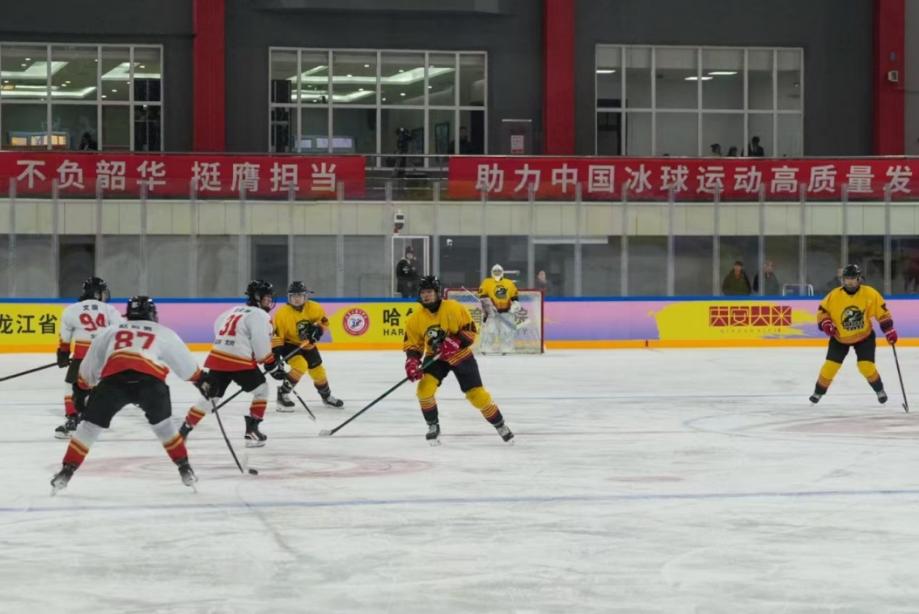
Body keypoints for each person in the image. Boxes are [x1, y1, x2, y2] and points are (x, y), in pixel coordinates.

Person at [50, 296, 205, 494]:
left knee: (89, 428)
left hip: (114, 381)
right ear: (152, 314)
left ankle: (66, 471)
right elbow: (187, 367)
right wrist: (202, 380)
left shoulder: (110, 331)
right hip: (150, 383)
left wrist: (81, 389)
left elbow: (89, 366)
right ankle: (185, 468)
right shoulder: (164, 332)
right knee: (164, 427)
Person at [403, 275, 514, 445]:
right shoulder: (415, 318)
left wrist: (456, 342)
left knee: (477, 396)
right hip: (436, 358)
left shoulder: (453, 307)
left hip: (460, 355)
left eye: (429, 292)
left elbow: (471, 330)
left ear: (437, 292)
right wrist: (412, 361)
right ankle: (433, 425)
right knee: (424, 390)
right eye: (423, 292)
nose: (426, 295)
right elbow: (413, 345)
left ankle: (500, 425)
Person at [179, 280, 284, 447]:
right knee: (262, 390)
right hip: (239, 361)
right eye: (267, 297)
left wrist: (234, 346)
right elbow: (261, 346)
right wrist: (271, 363)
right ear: (257, 297)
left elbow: (219, 328)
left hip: (218, 357)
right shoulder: (260, 315)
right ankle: (252, 431)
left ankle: (184, 429)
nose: (270, 300)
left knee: (211, 397)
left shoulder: (233, 310)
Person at [809, 264, 896, 405]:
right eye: (847, 278)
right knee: (830, 366)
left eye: (853, 278)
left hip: (864, 337)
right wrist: (826, 323)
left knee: (865, 366)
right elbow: (822, 312)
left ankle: (879, 390)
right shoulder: (834, 295)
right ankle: (818, 392)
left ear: (859, 279)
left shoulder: (869, 293)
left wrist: (889, 330)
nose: (849, 281)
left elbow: (883, 313)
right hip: (840, 338)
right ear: (842, 279)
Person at [55, 277, 123, 439]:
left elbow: (65, 336)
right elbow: (120, 332)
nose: (104, 295)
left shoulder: (72, 310)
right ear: (96, 293)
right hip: (103, 357)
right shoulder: (109, 310)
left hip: (81, 356)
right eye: (102, 292)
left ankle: (73, 419)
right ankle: (92, 419)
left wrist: (63, 353)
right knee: (96, 388)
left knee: (71, 385)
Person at [272, 281, 344, 410]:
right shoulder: (282, 314)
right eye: (293, 296)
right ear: (288, 297)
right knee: (300, 365)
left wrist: (318, 330)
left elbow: (324, 323)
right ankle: (282, 394)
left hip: (308, 345)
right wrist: (276, 357)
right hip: (290, 344)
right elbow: (277, 337)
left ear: (305, 296)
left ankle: (326, 397)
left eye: (299, 295)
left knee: (319, 372)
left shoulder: (315, 308)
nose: (297, 299)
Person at [478, 264, 523, 353]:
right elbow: (483, 297)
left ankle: (506, 348)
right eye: (495, 271)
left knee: (506, 331)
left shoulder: (509, 283)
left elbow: (514, 298)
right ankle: (486, 347)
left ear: (502, 272)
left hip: (506, 312)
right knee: (490, 330)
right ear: (492, 272)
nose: (497, 273)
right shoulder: (486, 282)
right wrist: (489, 307)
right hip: (492, 313)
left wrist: (515, 305)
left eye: (499, 271)